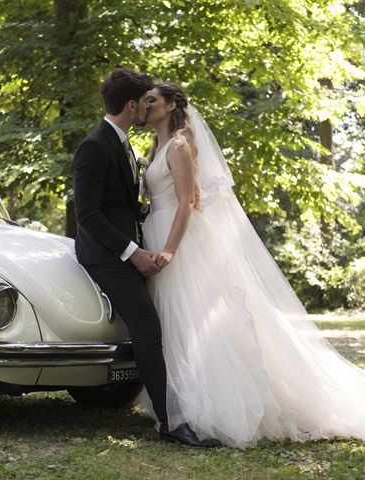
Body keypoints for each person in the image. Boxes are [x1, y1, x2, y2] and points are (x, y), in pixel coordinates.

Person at [140, 81, 365, 449]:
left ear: (172, 104)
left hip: (180, 241)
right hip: (156, 234)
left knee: (194, 318)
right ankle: (179, 403)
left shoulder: (178, 145)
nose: (146, 105)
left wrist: (172, 249)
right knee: (176, 323)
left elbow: (189, 201)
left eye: (152, 100)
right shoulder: (154, 147)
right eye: (144, 101)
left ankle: (210, 405)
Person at [71, 68, 219, 447]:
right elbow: (87, 217)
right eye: (144, 103)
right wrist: (134, 252)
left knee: (157, 325)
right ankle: (171, 421)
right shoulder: (94, 146)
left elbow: (124, 204)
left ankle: (173, 411)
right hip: (105, 255)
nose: (147, 109)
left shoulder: (125, 143)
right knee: (149, 326)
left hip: (133, 246)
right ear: (132, 105)